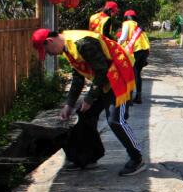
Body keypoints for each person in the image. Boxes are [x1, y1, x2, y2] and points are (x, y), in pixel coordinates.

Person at [31, 28, 146, 176]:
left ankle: (137, 158)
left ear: (50, 41)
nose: (49, 54)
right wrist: (69, 105)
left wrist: (89, 98)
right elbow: (78, 77)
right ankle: (88, 157)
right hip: (104, 79)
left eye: (46, 50)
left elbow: (102, 71)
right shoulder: (68, 47)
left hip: (118, 76)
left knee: (115, 120)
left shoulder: (82, 43)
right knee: (84, 115)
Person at [118, 9, 150, 103]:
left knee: (131, 74)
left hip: (136, 50)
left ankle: (129, 98)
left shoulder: (127, 23)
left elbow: (123, 37)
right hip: (144, 51)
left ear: (126, 17)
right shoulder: (138, 25)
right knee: (137, 74)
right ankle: (138, 96)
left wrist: (117, 44)